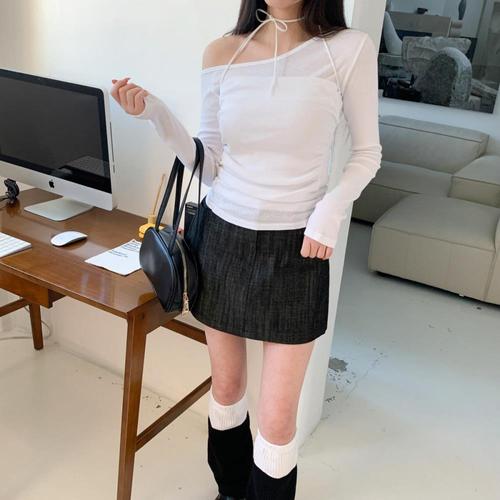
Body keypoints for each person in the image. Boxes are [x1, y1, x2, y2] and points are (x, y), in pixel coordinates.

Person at [111, 1, 382, 498]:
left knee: (277, 421)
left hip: (299, 251)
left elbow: (367, 153)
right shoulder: (223, 52)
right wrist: (156, 114)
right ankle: (230, 490)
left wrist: (330, 210)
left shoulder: (347, 49)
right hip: (222, 240)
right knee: (227, 388)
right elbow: (210, 162)